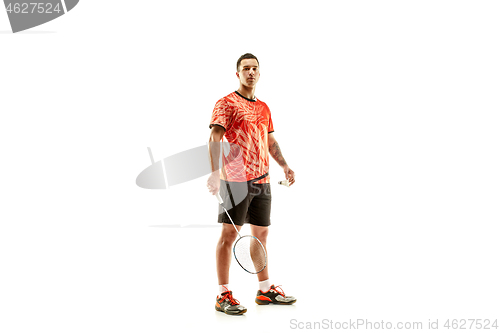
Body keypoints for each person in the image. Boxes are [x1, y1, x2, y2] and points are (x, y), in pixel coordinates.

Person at [207, 53, 297, 315]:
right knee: (228, 235)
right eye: (245, 68)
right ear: (238, 74)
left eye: (254, 68)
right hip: (235, 181)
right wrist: (214, 173)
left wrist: (284, 165)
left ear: (259, 73)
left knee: (262, 234)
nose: (251, 72)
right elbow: (214, 137)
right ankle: (223, 294)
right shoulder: (226, 104)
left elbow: (269, 141)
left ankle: (265, 290)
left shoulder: (264, 107)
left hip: (262, 181)